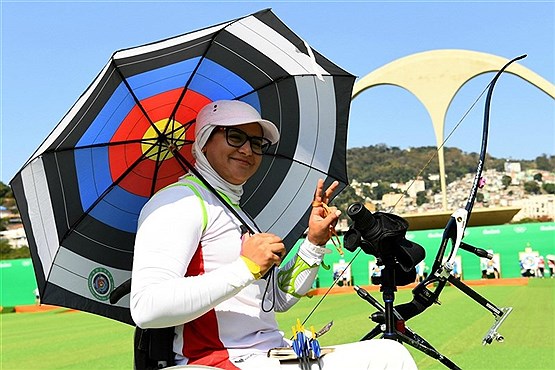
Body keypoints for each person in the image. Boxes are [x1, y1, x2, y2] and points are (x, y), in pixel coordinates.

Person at [130, 100, 417, 369]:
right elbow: (147, 307)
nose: (247, 150)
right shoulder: (177, 203)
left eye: (256, 143)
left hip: (269, 354)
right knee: (390, 357)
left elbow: (275, 299)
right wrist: (246, 267)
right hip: (223, 361)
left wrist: (313, 243)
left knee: (389, 355)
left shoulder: (236, 211)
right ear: (204, 142)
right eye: (235, 137)